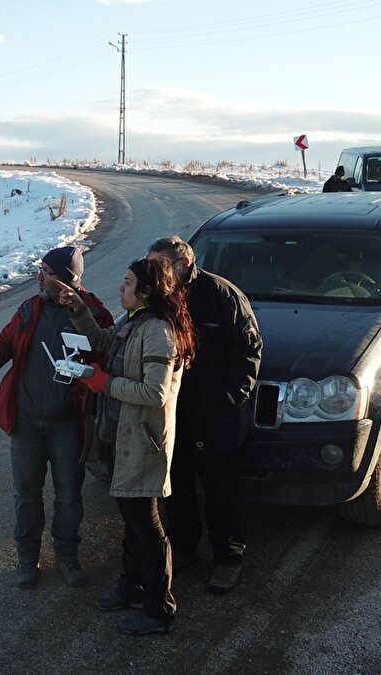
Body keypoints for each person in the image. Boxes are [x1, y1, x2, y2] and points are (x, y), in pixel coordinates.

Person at [54, 257, 195, 636]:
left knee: (148, 528)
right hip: (121, 438)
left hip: (142, 444)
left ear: (147, 291)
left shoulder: (158, 332)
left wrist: (102, 383)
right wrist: (79, 310)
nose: (121, 287)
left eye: (128, 282)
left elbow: (155, 392)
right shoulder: (134, 321)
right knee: (132, 524)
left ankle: (160, 609)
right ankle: (131, 589)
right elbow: (103, 341)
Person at [0, 246, 113, 590]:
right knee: (26, 495)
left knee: (69, 495)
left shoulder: (94, 312)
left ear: (67, 280)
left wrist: (80, 314)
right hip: (25, 421)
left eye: (47, 272)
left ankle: (67, 557)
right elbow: (8, 336)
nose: (39, 277)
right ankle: (27, 559)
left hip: (68, 424)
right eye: (40, 270)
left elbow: (107, 351)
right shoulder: (32, 307)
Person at [147, 236, 262, 594]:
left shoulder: (221, 296)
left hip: (215, 416)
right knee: (177, 488)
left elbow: (249, 352)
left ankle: (228, 559)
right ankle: (183, 550)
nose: (153, 272)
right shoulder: (159, 299)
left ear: (183, 265)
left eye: (160, 265)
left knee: (219, 491)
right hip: (173, 414)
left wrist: (229, 399)